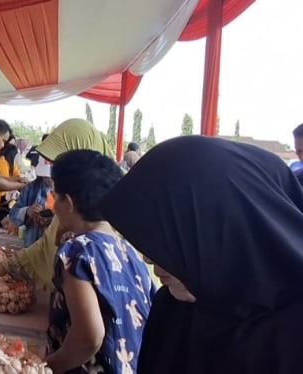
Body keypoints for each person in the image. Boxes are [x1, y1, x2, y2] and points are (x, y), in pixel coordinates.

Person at [100, 136, 303, 373]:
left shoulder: (292, 336)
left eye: (173, 239)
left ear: (225, 232)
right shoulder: (175, 307)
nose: (148, 258)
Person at [42, 149, 153, 373]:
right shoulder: (128, 251)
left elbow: (89, 337)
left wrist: (46, 366)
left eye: (57, 196)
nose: (53, 206)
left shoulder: (76, 252)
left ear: (69, 203)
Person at [0, 119, 114, 292]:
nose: (54, 174)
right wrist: (3, 268)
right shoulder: (71, 206)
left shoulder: (100, 238)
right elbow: (42, 249)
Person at [8, 156, 54, 246]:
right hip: (32, 242)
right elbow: (13, 215)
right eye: (45, 176)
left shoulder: (67, 192)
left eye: (52, 177)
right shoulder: (31, 188)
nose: (48, 179)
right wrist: (27, 211)